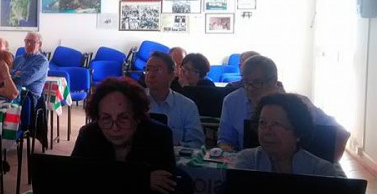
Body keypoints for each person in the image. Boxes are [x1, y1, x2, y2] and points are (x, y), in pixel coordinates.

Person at [217, 55, 349, 159]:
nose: (250, 89)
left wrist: (327, 164)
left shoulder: (298, 104)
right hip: (250, 167)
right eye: (246, 82)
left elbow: (342, 134)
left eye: (257, 82)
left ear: (274, 80)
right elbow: (225, 140)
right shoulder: (232, 101)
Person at [231, 93, 339, 176]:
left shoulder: (321, 171)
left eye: (277, 124)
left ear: (298, 132)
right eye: (262, 123)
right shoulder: (247, 161)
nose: (267, 131)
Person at [144, 51, 205, 149]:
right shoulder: (134, 102)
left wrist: (174, 147)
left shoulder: (187, 106)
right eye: (147, 69)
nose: (150, 74)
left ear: (172, 76)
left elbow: (196, 143)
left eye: (157, 70)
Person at [10, 32, 48, 104]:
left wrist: (11, 75)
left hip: (29, 97)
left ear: (39, 45)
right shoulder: (18, 59)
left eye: (32, 42)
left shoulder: (42, 61)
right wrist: (16, 73)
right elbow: (7, 72)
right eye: (26, 41)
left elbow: (25, 80)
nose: (28, 44)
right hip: (13, 92)